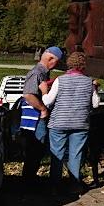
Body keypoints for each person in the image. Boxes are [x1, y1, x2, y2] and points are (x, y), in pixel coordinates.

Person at [44, 51, 99, 194]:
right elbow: (95, 104)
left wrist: (44, 92)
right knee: (76, 154)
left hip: (59, 122)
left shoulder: (60, 80)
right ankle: (75, 185)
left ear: (69, 64)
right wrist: (95, 90)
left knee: (57, 154)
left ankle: (54, 186)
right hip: (80, 123)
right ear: (84, 65)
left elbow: (48, 101)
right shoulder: (89, 82)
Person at [20, 45, 63, 184]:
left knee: (36, 151)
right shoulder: (37, 73)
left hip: (36, 118)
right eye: (57, 62)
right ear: (50, 59)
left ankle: (30, 180)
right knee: (35, 149)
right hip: (34, 119)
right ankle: (28, 182)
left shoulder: (43, 73)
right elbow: (28, 95)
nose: (56, 65)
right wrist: (43, 109)